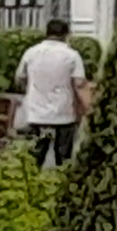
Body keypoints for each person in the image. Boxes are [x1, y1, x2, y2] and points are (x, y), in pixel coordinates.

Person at [15, 18, 89, 169]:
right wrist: (88, 109)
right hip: (64, 114)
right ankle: (61, 187)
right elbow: (79, 84)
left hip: (36, 114)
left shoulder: (31, 53)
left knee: (34, 159)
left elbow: (20, 78)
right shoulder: (72, 55)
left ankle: (32, 186)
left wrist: (30, 90)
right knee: (64, 160)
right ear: (66, 34)